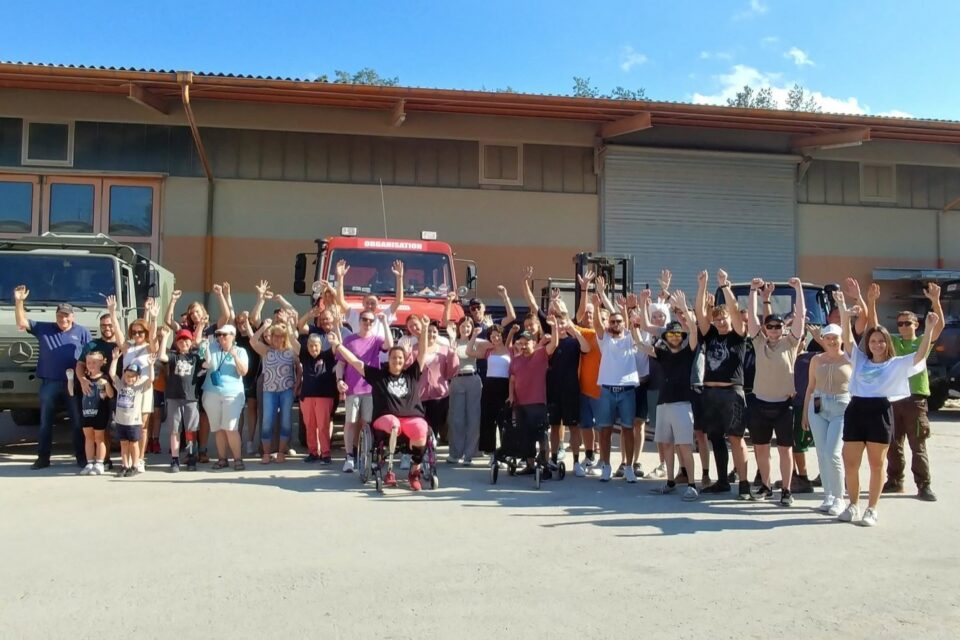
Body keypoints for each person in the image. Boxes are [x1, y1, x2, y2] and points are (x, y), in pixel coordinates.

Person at [833, 290, 938, 527]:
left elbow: (920, 354)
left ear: (886, 344)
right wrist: (842, 307)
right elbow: (847, 338)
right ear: (868, 344)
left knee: (877, 464)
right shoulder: (859, 359)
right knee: (851, 462)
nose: (877, 344)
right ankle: (853, 505)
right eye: (873, 341)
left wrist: (929, 328)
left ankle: (872, 509)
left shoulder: (896, 364)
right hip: (856, 409)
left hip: (880, 410)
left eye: (881, 341)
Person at [329, 316, 430, 490]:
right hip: (385, 418)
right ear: (388, 359)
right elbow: (355, 362)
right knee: (394, 424)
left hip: (411, 417)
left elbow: (422, 352)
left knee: (422, 428)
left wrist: (426, 329)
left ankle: (414, 472)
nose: (397, 361)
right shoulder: (379, 376)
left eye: (400, 358)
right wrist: (339, 346)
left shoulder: (412, 374)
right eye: (393, 358)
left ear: (404, 359)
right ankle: (389, 471)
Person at [13, 285, 91, 469]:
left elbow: (89, 356)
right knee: (45, 422)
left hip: (74, 384)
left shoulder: (82, 332)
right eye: (59, 315)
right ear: (55, 316)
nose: (63, 319)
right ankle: (43, 458)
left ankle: (81, 457)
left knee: (77, 422)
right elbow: (22, 321)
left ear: (72, 316)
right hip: (49, 383)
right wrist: (19, 301)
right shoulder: (44, 328)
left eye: (66, 315)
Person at [746, 277, 806, 506]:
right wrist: (753, 291)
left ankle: (786, 490)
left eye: (777, 326)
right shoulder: (758, 342)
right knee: (761, 449)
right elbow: (751, 317)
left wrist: (798, 289)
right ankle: (767, 486)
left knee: (785, 450)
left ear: (783, 328)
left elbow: (800, 316)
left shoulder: (791, 343)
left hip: (783, 405)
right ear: (764, 329)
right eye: (769, 326)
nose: (773, 330)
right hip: (760, 404)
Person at [881, 283, 943, 501]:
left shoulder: (922, 342)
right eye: (900, 324)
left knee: (918, 445)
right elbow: (873, 330)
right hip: (894, 399)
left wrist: (935, 301)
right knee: (893, 444)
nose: (904, 327)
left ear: (916, 324)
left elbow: (938, 327)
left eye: (908, 323)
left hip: (915, 400)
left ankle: (924, 485)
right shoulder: (894, 342)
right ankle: (895, 481)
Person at [694, 269, 751, 498]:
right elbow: (700, 313)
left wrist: (725, 286)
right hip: (710, 393)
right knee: (715, 437)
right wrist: (702, 286)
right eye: (716, 318)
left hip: (732, 393)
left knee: (736, 438)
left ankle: (745, 484)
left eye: (722, 317)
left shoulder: (738, 335)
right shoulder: (710, 335)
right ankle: (722, 481)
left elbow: (736, 312)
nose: (719, 321)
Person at [638, 291, 699, 500]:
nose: (674, 337)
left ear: (682, 337)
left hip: (682, 405)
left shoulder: (688, 352)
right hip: (663, 405)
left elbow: (693, 329)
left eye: (678, 335)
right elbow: (641, 343)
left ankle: (692, 484)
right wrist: (638, 308)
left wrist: (683, 305)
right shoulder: (661, 353)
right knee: (666, 444)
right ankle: (670, 481)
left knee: (684, 445)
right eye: (671, 334)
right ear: (666, 337)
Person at [801, 324, 851, 516]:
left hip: (841, 407)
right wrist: (805, 413)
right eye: (827, 338)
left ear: (842, 339)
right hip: (818, 406)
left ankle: (840, 498)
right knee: (822, 453)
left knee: (833, 453)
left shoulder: (849, 358)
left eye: (835, 338)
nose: (831, 341)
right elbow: (810, 387)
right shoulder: (816, 359)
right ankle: (828, 495)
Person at [592, 292, 640, 483]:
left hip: (627, 391)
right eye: (612, 322)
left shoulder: (630, 338)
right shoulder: (605, 340)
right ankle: (606, 466)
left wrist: (625, 309)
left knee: (629, 430)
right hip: (607, 391)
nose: (616, 324)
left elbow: (628, 323)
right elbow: (597, 325)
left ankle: (628, 467)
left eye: (618, 321)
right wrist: (596, 306)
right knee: (605, 430)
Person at [336, 309, 389, 472]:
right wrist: (339, 381)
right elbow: (341, 364)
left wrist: (385, 322)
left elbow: (390, 346)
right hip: (352, 389)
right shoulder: (349, 340)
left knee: (368, 423)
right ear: (359, 321)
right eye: (365, 320)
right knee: (350, 423)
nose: (368, 323)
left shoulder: (376, 340)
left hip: (371, 390)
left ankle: (368, 455)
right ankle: (350, 457)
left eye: (371, 321)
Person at [508, 324, 560, 475]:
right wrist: (511, 395)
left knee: (541, 435)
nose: (524, 346)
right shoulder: (515, 360)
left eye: (527, 343)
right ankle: (530, 465)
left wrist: (554, 326)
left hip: (537, 403)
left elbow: (554, 344)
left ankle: (544, 463)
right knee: (525, 436)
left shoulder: (541, 355)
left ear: (533, 342)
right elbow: (512, 380)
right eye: (521, 343)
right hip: (520, 404)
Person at [249, 317, 300, 464]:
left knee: (285, 421)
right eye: (275, 335)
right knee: (267, 421)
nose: (278, 338)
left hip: (286, 391)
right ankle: (266, 453)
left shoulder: (291, 352)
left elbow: (299, 366)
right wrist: (264, 326)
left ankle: (281, 452)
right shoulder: (266, 351)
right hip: (269, 391)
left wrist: (297, 382)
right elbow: (253, 341)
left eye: (281, 336)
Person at [76, 303, 121, 469]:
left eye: (110, 325)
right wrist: (82, 380)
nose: (107, 328)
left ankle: (129, 462)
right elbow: (80, 365)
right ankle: (105, 460)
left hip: (120, 390)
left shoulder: (120, 344)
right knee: (103, 427)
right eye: (103, 326)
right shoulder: (92, 345)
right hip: (97, 393)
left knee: (122, 427)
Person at [201, 324, 249, 471]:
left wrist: (234, 355)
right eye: (219, 335)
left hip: (232, 394)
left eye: (224, 334)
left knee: (230, 428)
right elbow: (204, 362)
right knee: (218, 428)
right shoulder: (212, 348)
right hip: (211, 392)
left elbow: (243, 372)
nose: (221, 337)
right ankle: (222, 459)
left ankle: (237, 459)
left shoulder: (240, 351)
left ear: (233, 336)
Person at [158, 327, 203, 472]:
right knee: (175, 430)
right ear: (177, 343)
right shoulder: (173, 356)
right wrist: (165, 337)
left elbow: (208, 364)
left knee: (190, 429)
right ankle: (175, 459)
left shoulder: (195, 357)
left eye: (187, 340)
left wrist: (203, 346)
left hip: (191, 398)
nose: (184, 342)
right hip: (174, 396)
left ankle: (191, 457)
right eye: (181, 340)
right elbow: (162, 358)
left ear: (191, 343)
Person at [298, 309, 339, 464]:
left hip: (324, 395)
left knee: (322, 426)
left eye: (316, 346)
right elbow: (293, 338)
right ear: (307, 346)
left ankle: (326, 453)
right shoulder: (304, 355)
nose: (313, 348)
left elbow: (336, 347)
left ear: (320, 346)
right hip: (307, 395)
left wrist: (336, 331)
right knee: (310, 426)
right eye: (310, 346)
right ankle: (313, 452)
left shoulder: (327, 355)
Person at [572, 272, 603, 477]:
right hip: (581, 389)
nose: (589, 316)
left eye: (593, 314)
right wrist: (584, 290)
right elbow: (574, 315)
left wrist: (599, 301)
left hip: (600, 390)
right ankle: (589, 455)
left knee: (602, 426)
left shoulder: (604, 334)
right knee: (585, 424)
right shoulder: (577, 332)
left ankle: (602, 458)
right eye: (587, 314)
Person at [109, 350, 155, 477]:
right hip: (121, 421)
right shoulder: (120, 385)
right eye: (128, 375)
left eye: (133, 376)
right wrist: (114, 359)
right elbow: (112, 374)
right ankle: (125, 465)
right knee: (123, 444)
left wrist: (151, 365)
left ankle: (135, 465)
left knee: (134, 444)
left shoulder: (139, 388)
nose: (130, 378)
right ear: (124, 375)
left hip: (134, 422)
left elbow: (151, 379)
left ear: (138, 377)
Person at [68, 351, 114, 476]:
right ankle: (89, 462)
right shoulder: (84, 379)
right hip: (86, 412)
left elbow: (110, 395)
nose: (91, 365)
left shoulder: (104, 377)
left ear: (101, 362)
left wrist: (107, 384)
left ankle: (100, 463)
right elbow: (72, 393)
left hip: (100, 413)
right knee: (88, 438)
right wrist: (70, 379)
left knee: (100, 438)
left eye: (94, 362)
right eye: (88, 362)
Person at [474, 324, 516, 458]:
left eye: (497, 335)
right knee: (488, 419)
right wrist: (474, 334)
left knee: (504, 420)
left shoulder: (510, 350)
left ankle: (506, 451)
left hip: (504, 386)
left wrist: (512, 333)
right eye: (492, 336)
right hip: (489, 385)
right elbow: (470, 351)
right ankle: (490, 451)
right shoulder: (488, 351)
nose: (495, 338)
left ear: (502, 335)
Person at [418, 322, 459, 456]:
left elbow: (451, 372)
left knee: (435, 425)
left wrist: (453, 353)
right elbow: (408, 369)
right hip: (419, 395)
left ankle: (430, 453)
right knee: (419, 424)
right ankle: (418, 452)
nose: (431, 334)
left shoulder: (444, 350)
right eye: (428, 331)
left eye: (434, 331)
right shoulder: (415, 348)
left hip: (439, 395)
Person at [447, 317, 483, 465]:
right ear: (458, 327)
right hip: (457, 380)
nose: (465, 329)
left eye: (469, 326)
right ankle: (455, 453)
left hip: (473, 379)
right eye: (463, 326)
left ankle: (469, 454)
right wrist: (450, 338)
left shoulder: (476, 341)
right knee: (456, 418)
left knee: (474, 418)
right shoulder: (452, 341)